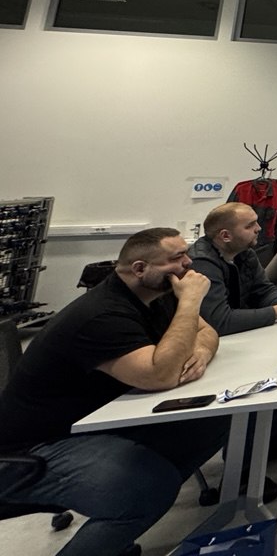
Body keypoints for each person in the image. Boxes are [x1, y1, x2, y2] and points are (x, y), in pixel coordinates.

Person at [0, 228, 228, 556]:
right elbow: (160, 375)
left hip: (91, 425)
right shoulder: (101, 314)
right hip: (32, 450)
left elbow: (206, 332)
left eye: (186, 254)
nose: (188, 264)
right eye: (176, 258)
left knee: (212, 422)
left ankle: (121, 527)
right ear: (140, 269)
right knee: (146, 490)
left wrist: (200, 353)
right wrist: (190, 303)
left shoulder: (156, 294)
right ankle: (131, 506)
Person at [191, 202, 277, 459]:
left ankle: (271, 439)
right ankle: (243, 468)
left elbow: (262, 289)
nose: (259, 228)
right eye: (250, 225)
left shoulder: (245, 252)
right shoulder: (202, 263)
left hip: (243, 335)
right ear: (226, 235)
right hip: (212, 346)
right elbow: (219, 322)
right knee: (249, 389)